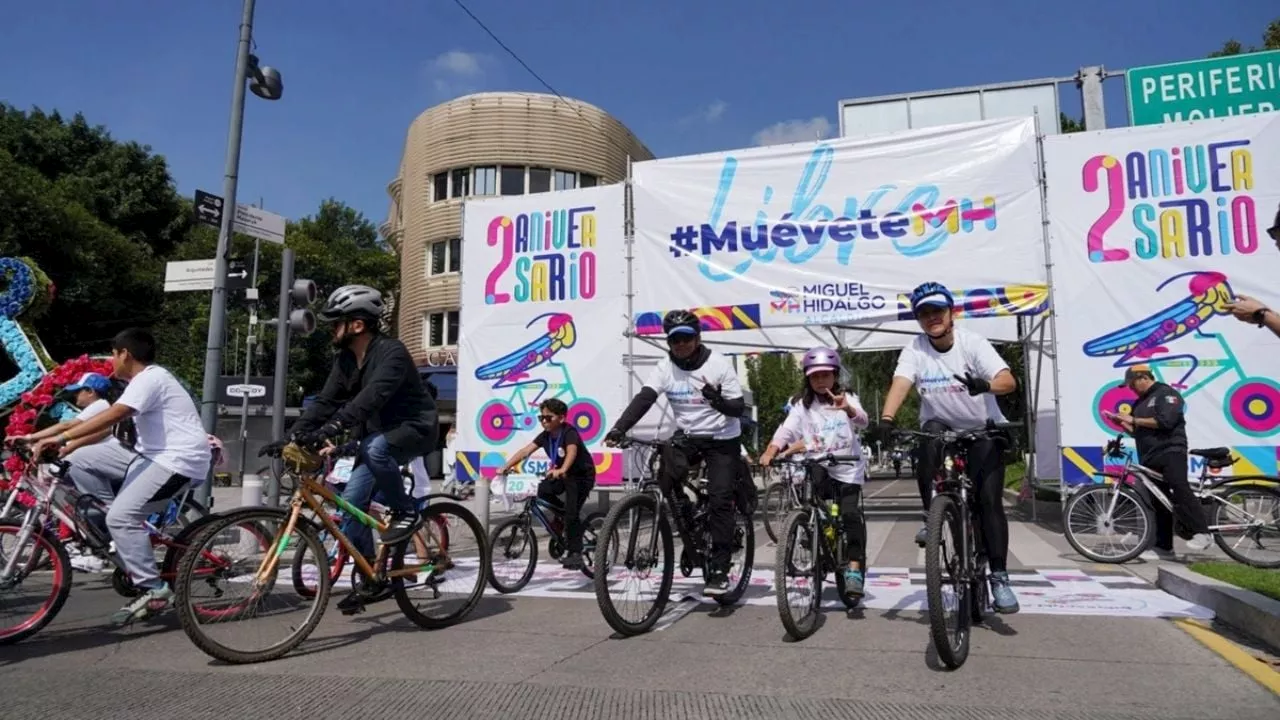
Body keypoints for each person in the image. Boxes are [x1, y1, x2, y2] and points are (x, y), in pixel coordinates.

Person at [31, 329, 211, 626]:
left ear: (125, 353)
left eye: (113, 354)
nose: (112, 360)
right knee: (79, 461)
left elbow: (114, 415)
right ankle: (114, 519)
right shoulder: (137, 384)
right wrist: (62, 445)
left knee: (121, 517)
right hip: (150, 456)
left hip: (178, 460)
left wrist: (62, 438)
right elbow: (107, 427)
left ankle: (153, 589)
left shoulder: (152, 378)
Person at [279, 284, 438, 613]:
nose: (330, 330)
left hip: (414, 428)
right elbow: (325, 401)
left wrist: (334, 427)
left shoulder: (392, 352)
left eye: (335, 322)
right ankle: (371, 577)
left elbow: (373, 397)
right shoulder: (346, 361)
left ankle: (406, 512)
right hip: (377, 438)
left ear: (357, 325)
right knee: (350, 507)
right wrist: (293, 434)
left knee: (377, 447)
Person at [874, 281, 1021, 614]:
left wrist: (985, 384)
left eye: (937, 311)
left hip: (983, 429)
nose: (931, 318)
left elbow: (1009, 381)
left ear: (950, 313)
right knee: (931, 435)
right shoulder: (915, 348)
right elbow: (901, 382)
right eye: (924, 314)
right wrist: (886, 417)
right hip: (943, 430)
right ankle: (932, 513)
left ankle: (998, 575)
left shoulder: (973, 343)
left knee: (988, 502)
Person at [604, 309, 746, 596]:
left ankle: (719, 568)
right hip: (690, 436)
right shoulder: (665, 366)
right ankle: (689, 521)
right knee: (665, 478)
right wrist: (619, 429)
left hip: (721, 439)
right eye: (674, 340)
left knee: (719, 499)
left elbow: (737, 409)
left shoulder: (718, 364)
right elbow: (645, 398)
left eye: (686, 338)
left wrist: (716, 399)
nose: (680, 345)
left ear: (697, 338)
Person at [758, 347, 870, 598]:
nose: (820, 381)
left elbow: (864, 421)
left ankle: (853, 568)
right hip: (818, 463)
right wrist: (771, 451)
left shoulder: (847, 396)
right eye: (815, 376)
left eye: (825, 375)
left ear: (835, 375)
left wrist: (848, 409)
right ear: (808, 378)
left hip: (848, 467)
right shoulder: (802, 405)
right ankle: (815, 535)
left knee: (850, 515)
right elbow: (785, 431)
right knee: (810, 502)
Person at [1103, 364, 1213, 557]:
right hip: (1149, 454)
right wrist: (1121, 423)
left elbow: (1166, 421)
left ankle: (1203, 532)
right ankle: (1164, 547)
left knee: (1179, 487)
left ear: (1143, 377)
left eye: (1132, 384)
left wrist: (1134, 420)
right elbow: (1138, 432)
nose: (1131, 388)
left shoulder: (1166, 394)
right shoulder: (1139, 403)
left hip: (1170, 450)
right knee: (1158, 500)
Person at [498, 398, 597, 570]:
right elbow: (525, 451)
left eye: (548, 418)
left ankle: (575, 554)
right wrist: (505, 467)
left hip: (581, 477)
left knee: (572, 514)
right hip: (561, 474)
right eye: (541, 418)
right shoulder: (545, 436)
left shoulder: (569, 432)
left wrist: (563, 468)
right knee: (540, 490)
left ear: (561, 418)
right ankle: (561, 517)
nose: (544, 421)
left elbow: (572, 451)